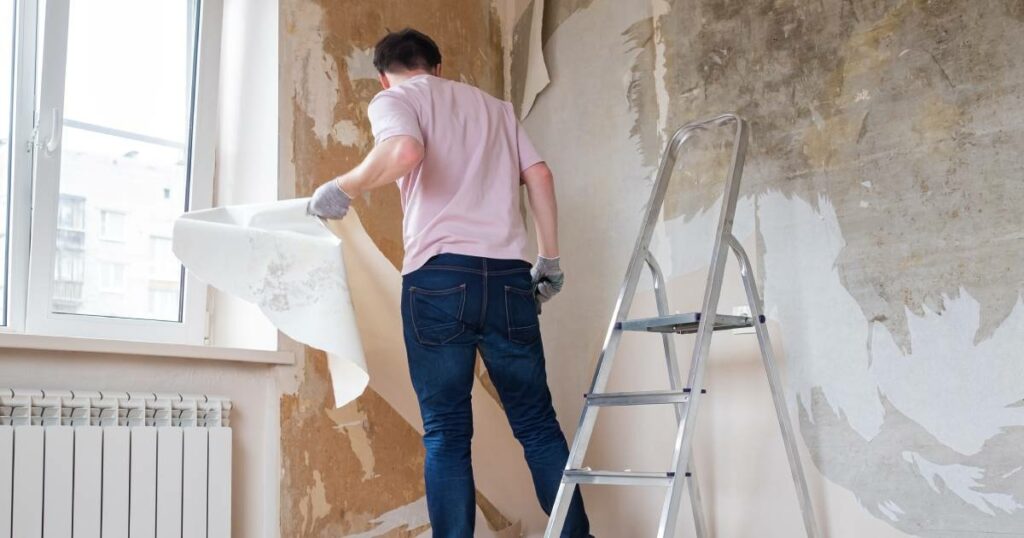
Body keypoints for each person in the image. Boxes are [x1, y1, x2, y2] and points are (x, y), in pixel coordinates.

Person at [306, 27, 590, 538]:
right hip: (507, 279)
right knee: (537, 425)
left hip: (438, 280)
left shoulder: (395, 101)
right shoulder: (496, 108)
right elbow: (541, 176)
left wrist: (342, 186)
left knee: (446, 435)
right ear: (438, 67)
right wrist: (548, 258)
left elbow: (405, 153)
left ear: (382, 78)